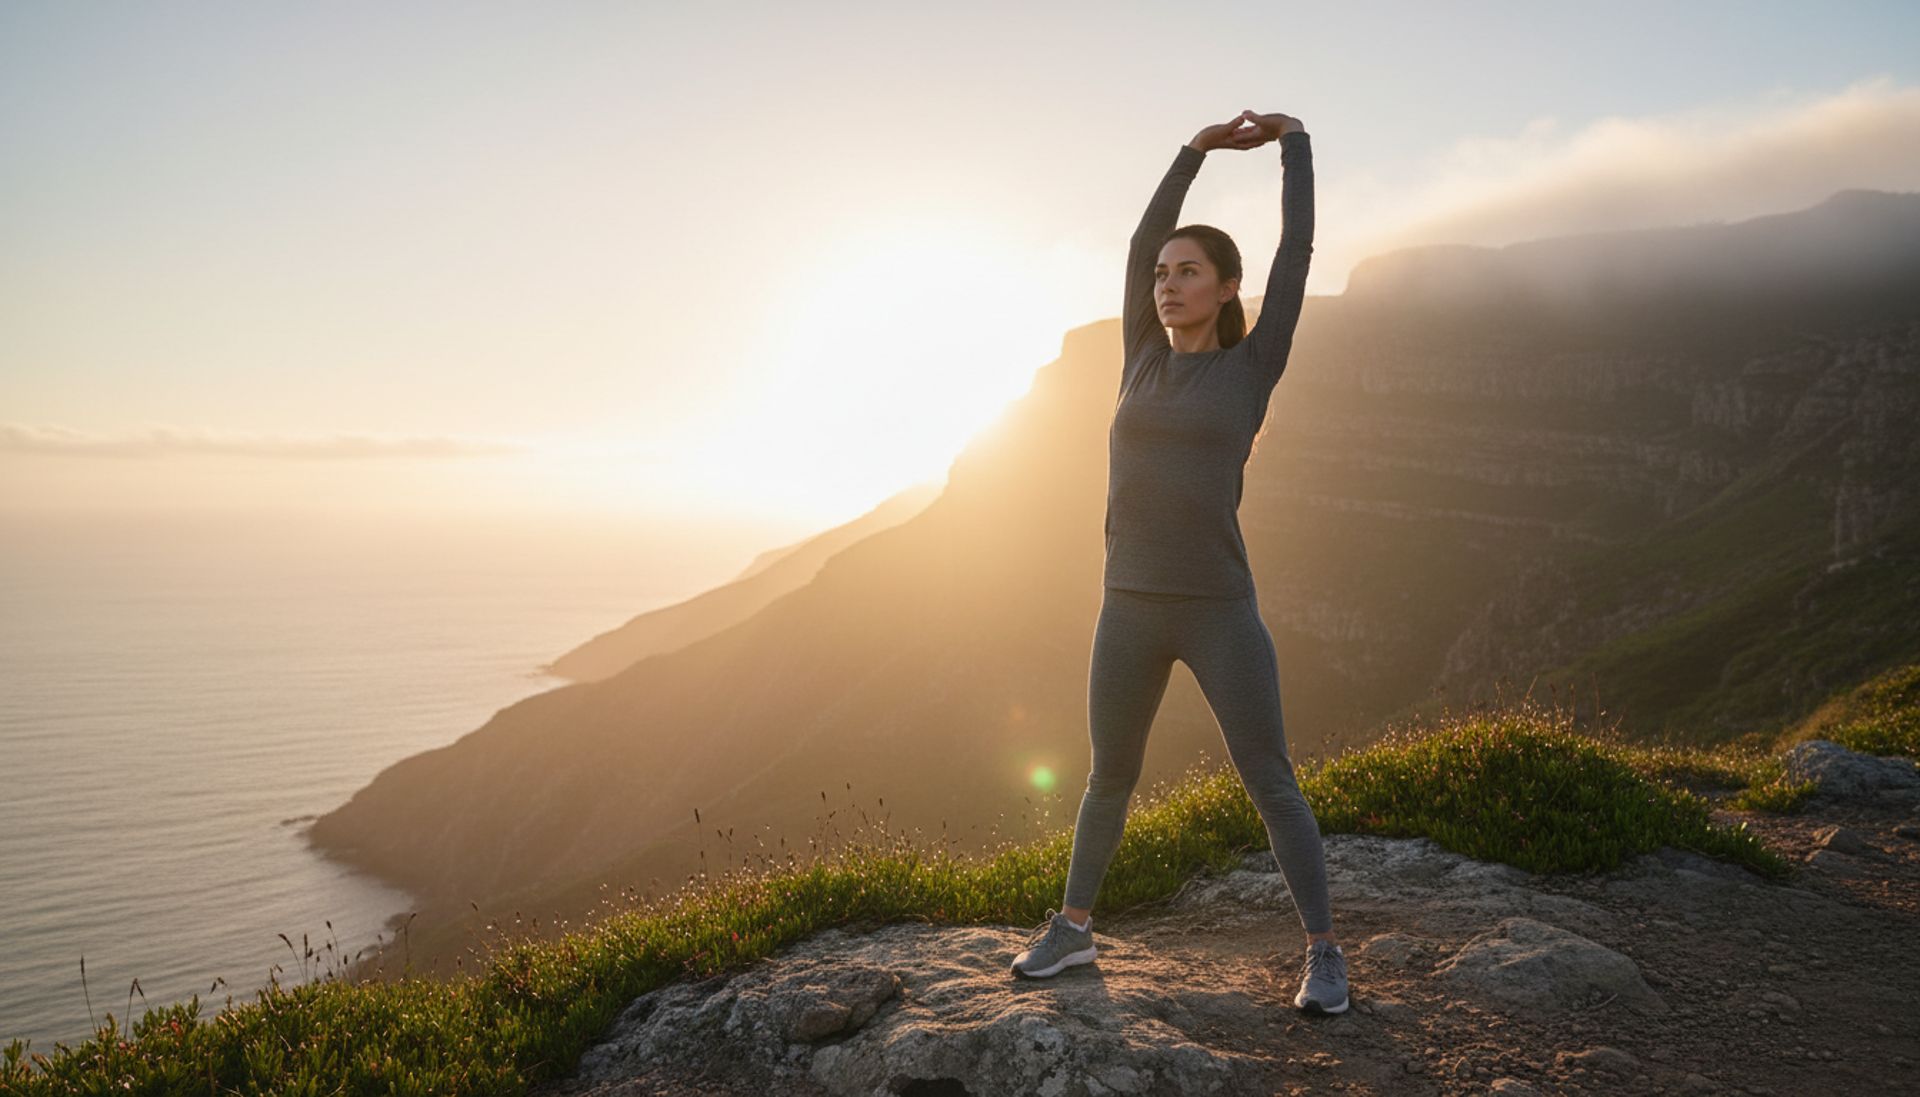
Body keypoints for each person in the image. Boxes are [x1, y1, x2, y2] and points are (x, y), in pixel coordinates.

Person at [1010, 109, 1348, 1014]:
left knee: (1270, 778)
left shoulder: (1251, 366)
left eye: (1187, 271)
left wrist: (1294, 146)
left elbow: (1297, 252)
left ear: (1227, 287)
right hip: (1126, 604)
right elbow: (1136, 246)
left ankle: (1323, 951)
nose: (1166, 284)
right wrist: (1192, 152)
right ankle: (1074, 928)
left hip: (1216, 606)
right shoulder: (1138, 359)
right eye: (1163, 274)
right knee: (1108, 776)